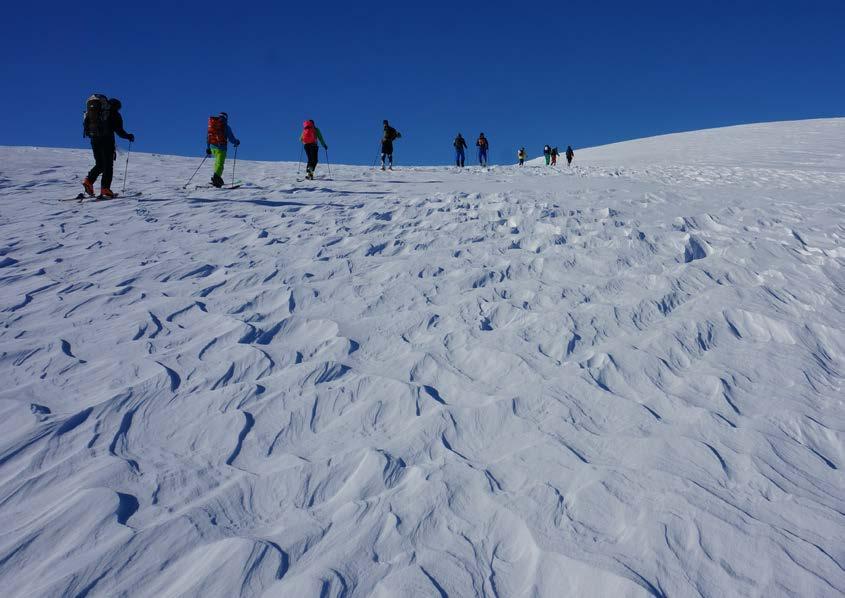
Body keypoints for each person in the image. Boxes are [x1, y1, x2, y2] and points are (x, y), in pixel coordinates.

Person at [81, 95, 135, 198]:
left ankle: (88, 181)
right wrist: (128, 136)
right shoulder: (114, 114)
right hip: (106, 141)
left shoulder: (96, 113)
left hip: (94, 139)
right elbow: (119, 131)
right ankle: (105, 189)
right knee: (108, 166)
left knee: (100, 164)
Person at [206, 112, 240, 188]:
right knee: (220, 164)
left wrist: (208, 148)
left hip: (212, 147)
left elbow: (208, 137)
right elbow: (231, 138)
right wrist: (236, 142)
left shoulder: (212, 125)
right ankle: (216, 178)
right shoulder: (226, 127)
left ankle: (216, 178)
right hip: (221, 148)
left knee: (216, 163)